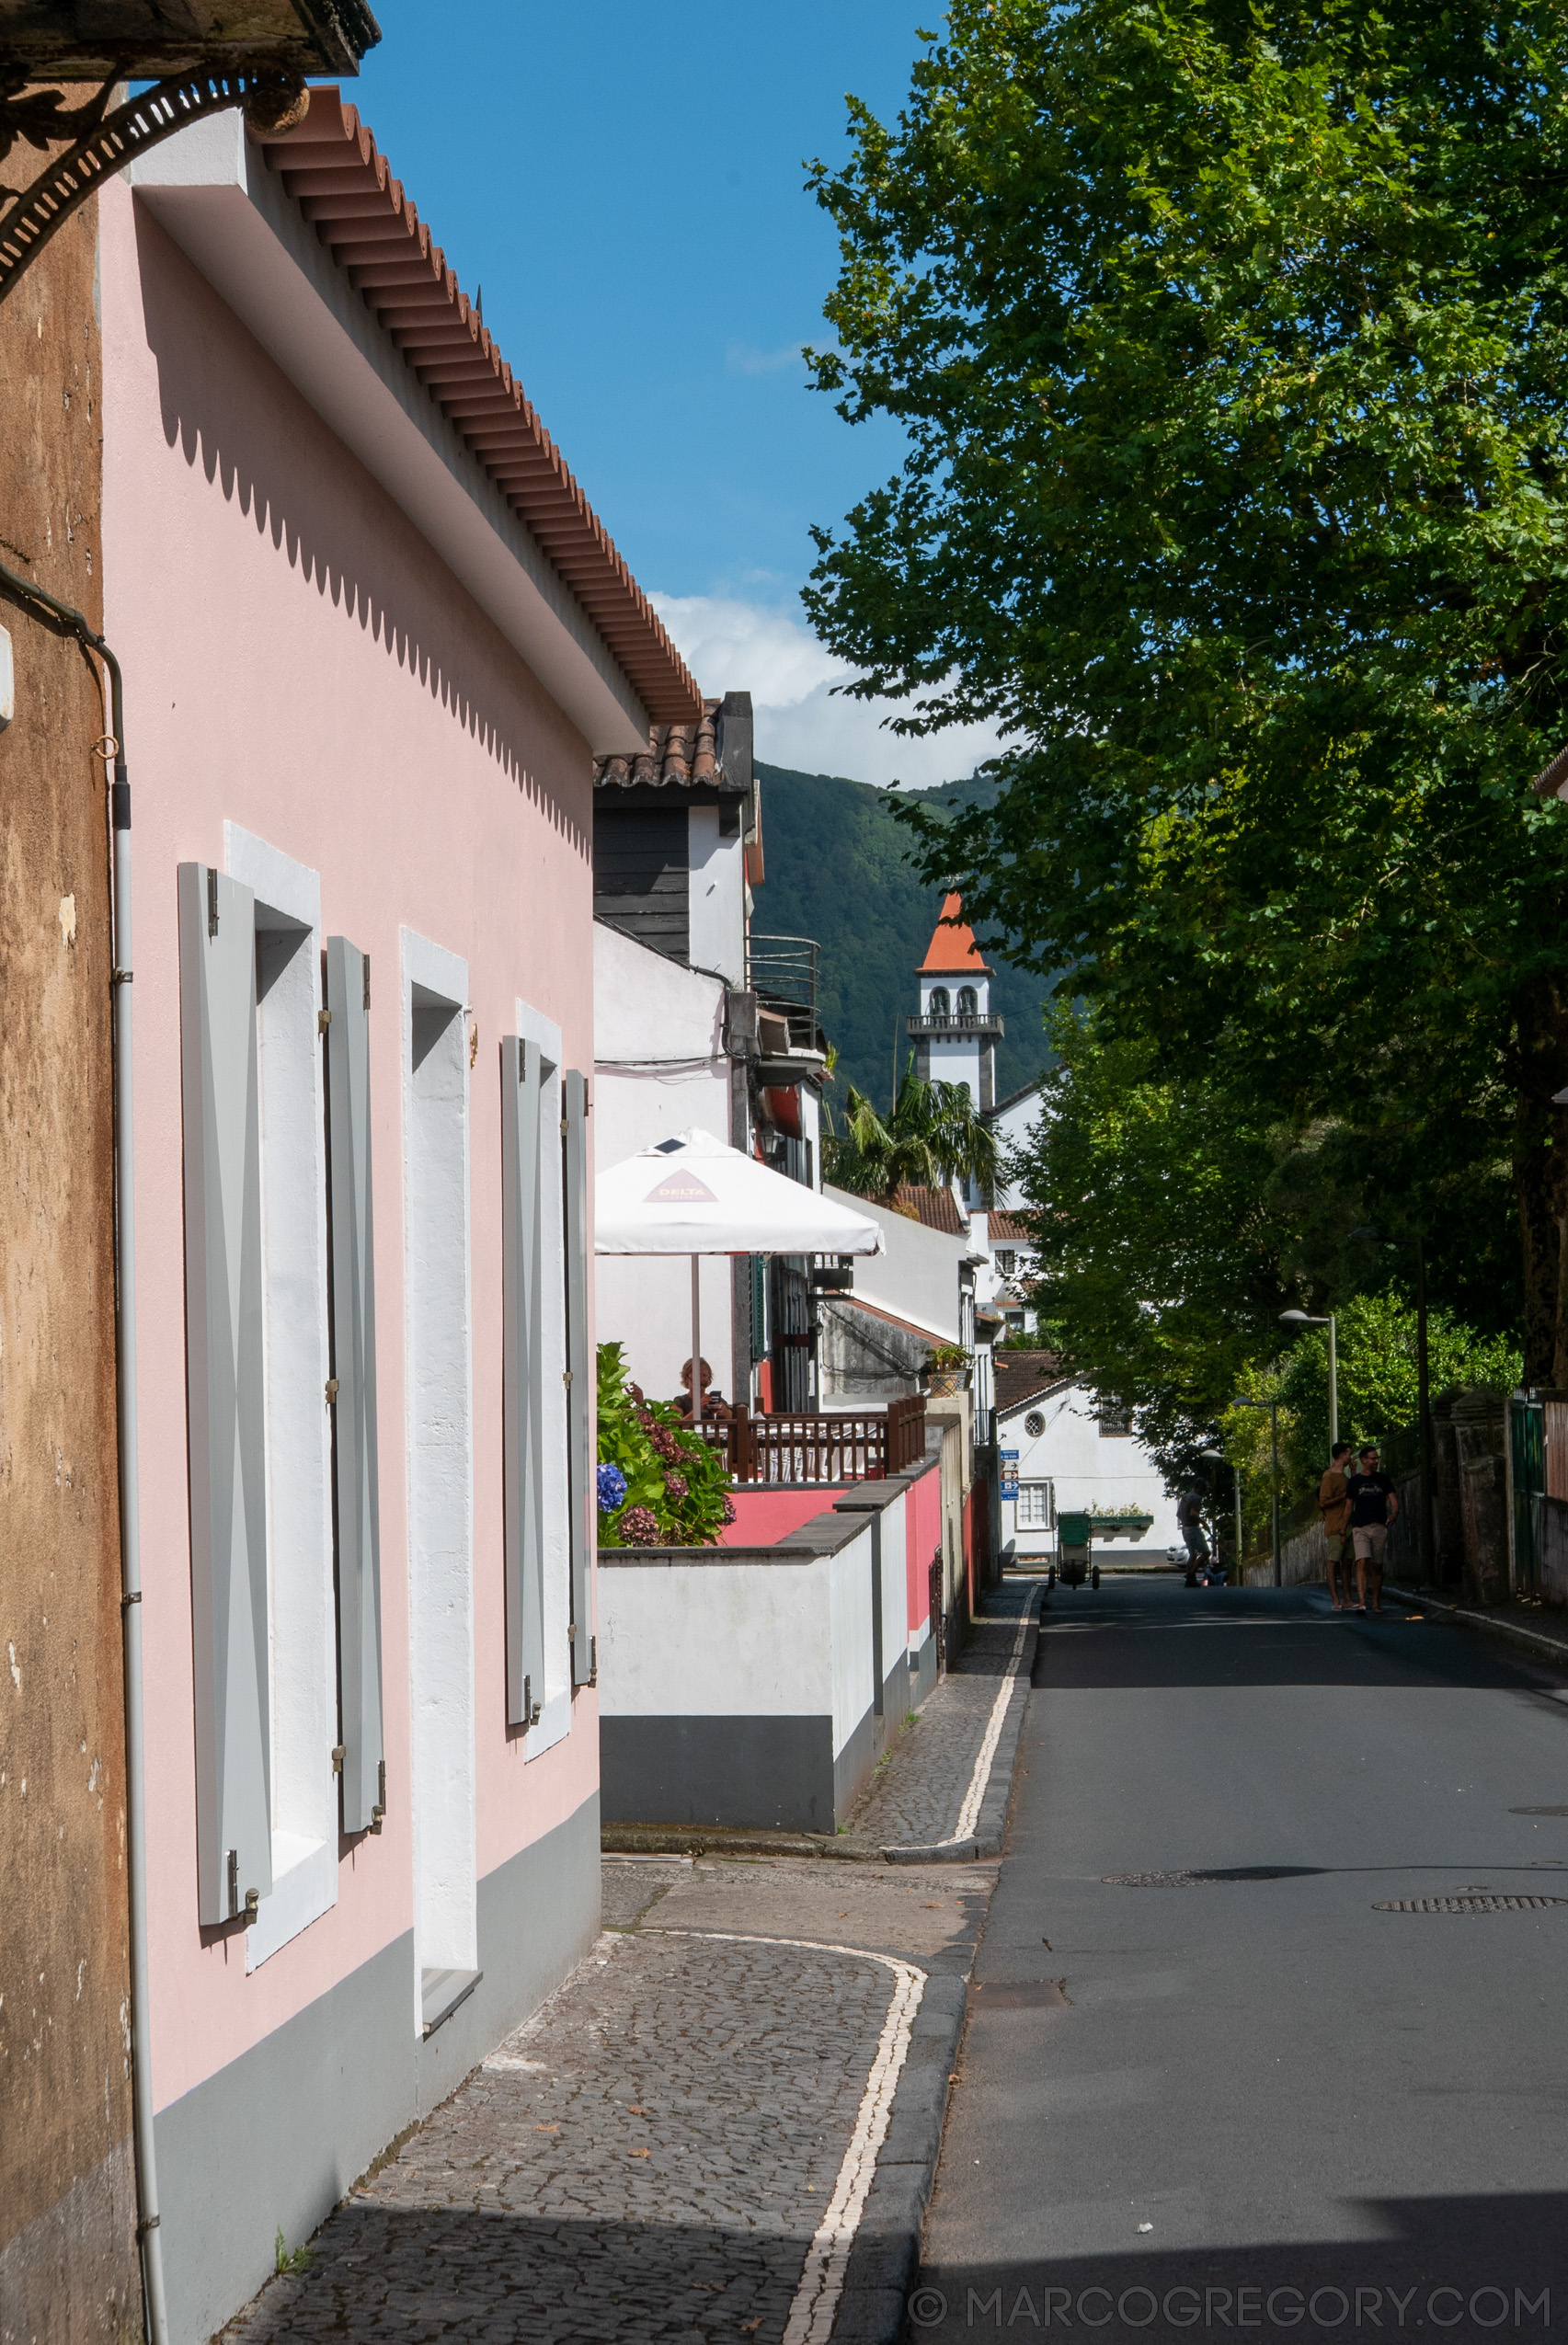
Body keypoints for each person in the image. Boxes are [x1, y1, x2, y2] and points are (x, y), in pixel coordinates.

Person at [1345, 1444, 1399, 1615]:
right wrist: (1342, 1529)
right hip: (1360, 1527)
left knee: (1377, 1566)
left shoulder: (1383, 1479)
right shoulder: (1354, 1482)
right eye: (1373, 1458)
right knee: (1362, 1561)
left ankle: (1375, 1601)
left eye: (1377, 1458)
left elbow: (1393, 1500)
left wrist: (1394, 1513)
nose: (1376, 1461)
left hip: (1379, 1527)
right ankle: (1362, 1602)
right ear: (1363, 1460)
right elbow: (1348, 1507)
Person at [1317, 1441, 1355, 1611]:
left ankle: (1348, 1599)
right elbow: (1323, 1502)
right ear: (1342, 1455)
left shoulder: (1344, 1476)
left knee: (1347, 1562)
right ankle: (1335, 1600)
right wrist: (1342, 1496)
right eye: (1349, 1453)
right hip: (1335, 1525)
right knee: (1333, 1562)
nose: (1350, 1457)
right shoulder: (1329, 1476)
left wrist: (1353, 1472)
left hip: (1349, 1524)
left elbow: (1352, 1493)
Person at [1176, 1487, 1209, 1587]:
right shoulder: (1196, 1498)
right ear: (1200, 1488)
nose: (1204, 1493)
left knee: (1193, 1554)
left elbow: (1179, 1515)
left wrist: (1186, 1522)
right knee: (1206, 1552)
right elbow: (1193, 1514)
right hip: (1193, 1528)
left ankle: (1190, 1579)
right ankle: (1191, 1575)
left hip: (1185, 1528)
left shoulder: (1184, 1497)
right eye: (1204, 1490)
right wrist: (1204, 1523)